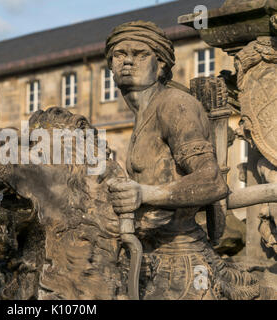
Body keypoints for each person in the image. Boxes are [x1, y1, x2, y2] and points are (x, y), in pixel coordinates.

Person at [104, 21, 251, 300]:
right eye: (120, 55)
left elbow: (212, 181)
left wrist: (145, 193)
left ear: (160, 65)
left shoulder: (174, 105)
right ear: (110, 65)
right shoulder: (142, 115)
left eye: (140, 54)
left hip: (182, 259)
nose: (128, 61)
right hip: (148, 255)